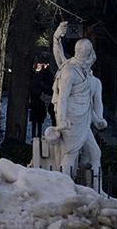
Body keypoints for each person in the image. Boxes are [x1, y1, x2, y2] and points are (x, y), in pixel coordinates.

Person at [43, 21, 106, 191]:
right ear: (85, 53)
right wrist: (61, 120)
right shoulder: (69, 71)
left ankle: (98, 190)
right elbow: (62, 97)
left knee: (95, 153)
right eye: (88, 52)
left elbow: (92, 103)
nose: (91, 55)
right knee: (70, 154)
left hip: (84, 119)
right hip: (71, 119)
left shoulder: (86, 72)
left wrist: (98, 119)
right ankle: (62, 190)